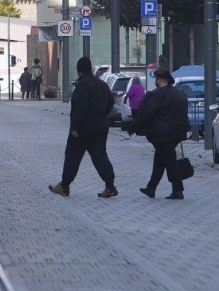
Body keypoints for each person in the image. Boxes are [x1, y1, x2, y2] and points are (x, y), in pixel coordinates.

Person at [48, 56, 118, 198]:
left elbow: (79, 108)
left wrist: (74, 127)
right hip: (101, 128)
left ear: (79, 70)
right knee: (100, 158)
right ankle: (110, 186)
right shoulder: (102, 85)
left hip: (83, 130)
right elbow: (110, 104)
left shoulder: (82, 86)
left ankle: (64, 186)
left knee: (72, 158)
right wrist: (102, 116)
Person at [127, 69, 191, 200]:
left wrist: (133, 127)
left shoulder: (156, 95)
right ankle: (151, 188)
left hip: (162, 134)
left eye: (156, 78)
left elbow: (146, 114)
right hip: (178, 133)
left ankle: (178, 190)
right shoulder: (180, 93)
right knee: (160, 160)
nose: (155, 81)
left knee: (169, 161)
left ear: (161, 79)